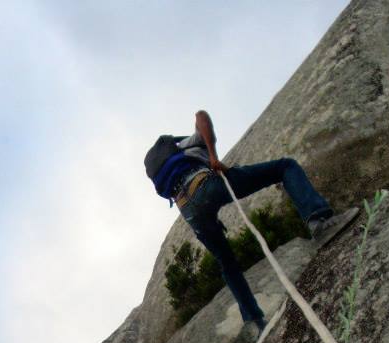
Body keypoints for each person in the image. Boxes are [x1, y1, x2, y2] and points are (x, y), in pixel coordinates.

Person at [146, 110, 354, 331]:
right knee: (285, 166)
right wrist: (213, 156)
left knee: (226, 262)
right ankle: (319, 221)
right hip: (205, 186)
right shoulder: (185, 145)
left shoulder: (170, 170)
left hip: (188, 210)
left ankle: (253, 321)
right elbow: (201, 116)